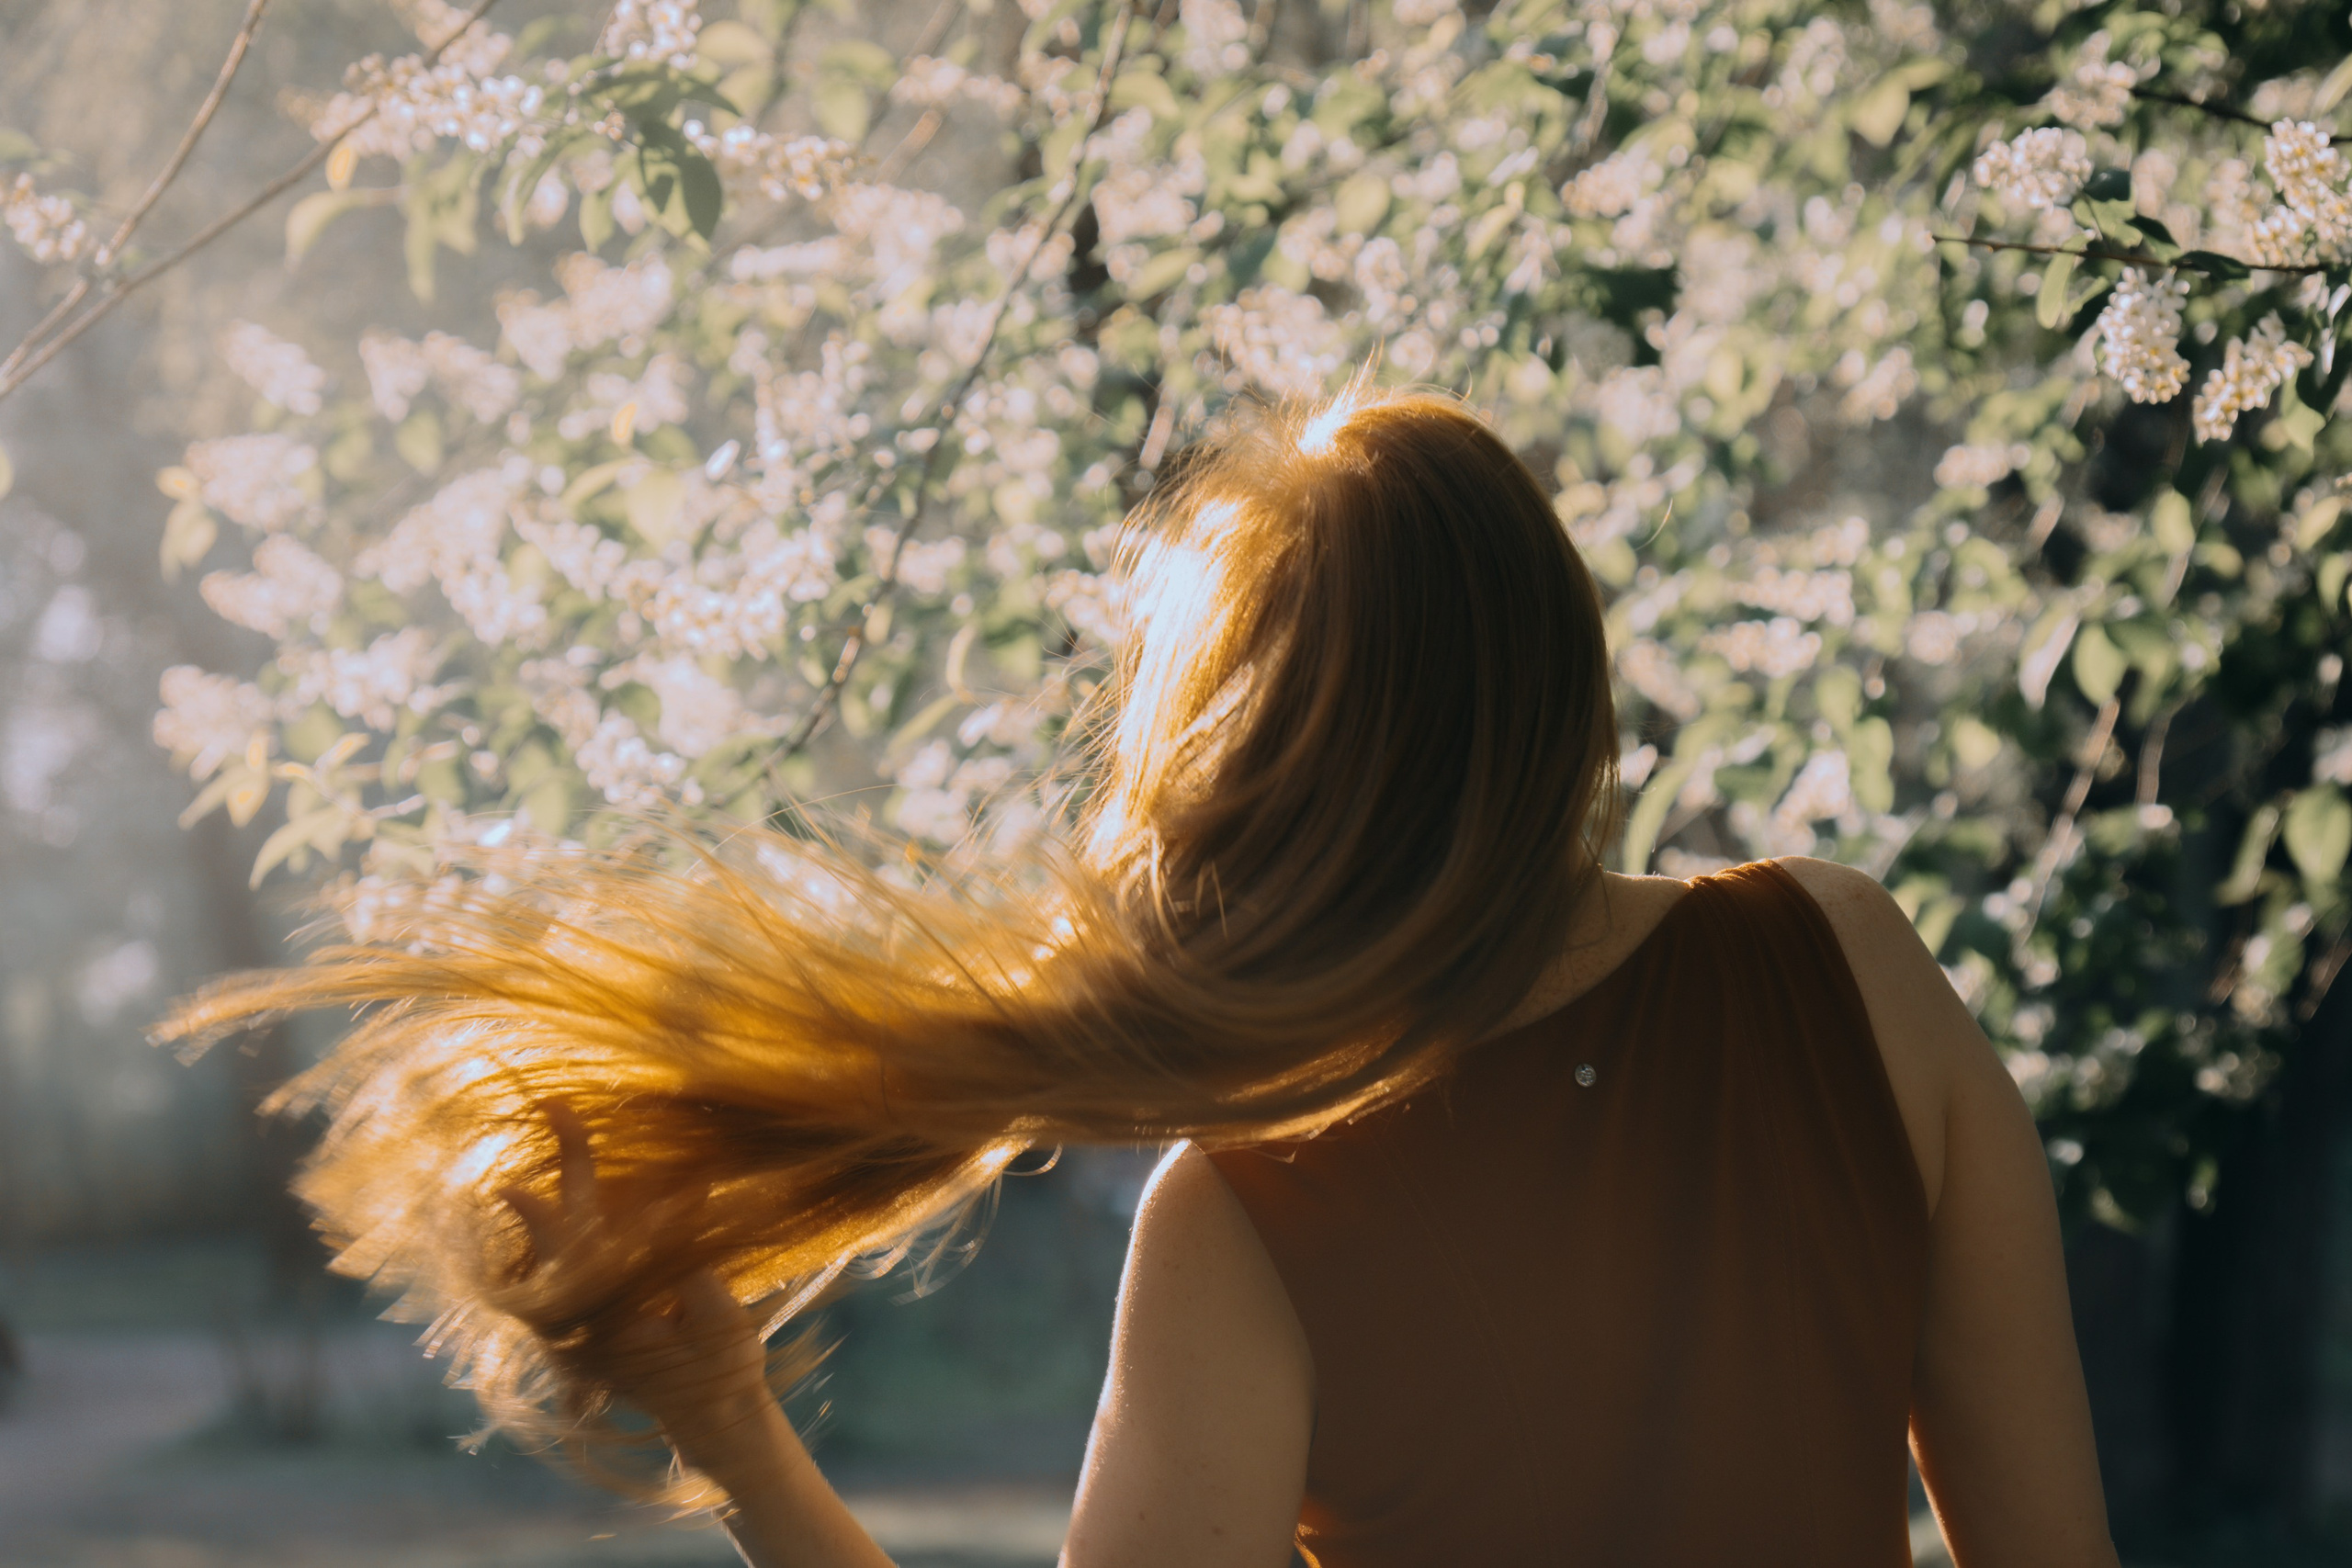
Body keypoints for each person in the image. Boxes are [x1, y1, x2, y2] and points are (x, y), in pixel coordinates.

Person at [164, 389, 2118, 1568]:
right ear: (1565, 679)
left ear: (1253, 775)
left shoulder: (1251, 1220)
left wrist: (739, 1437)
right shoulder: (1844, 961)